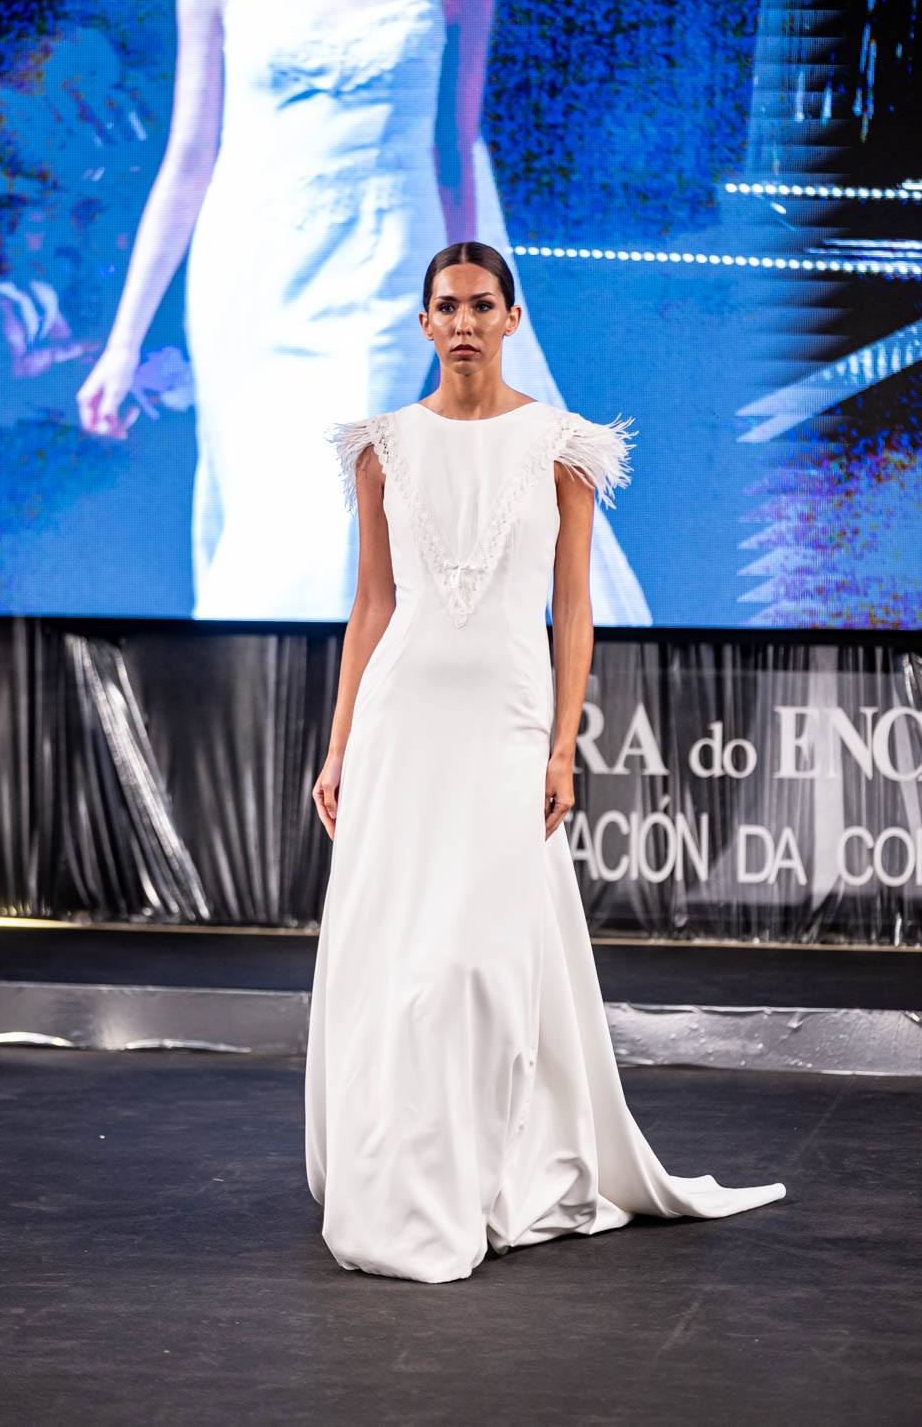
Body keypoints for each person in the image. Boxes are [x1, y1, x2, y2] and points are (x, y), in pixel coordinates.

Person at [305, 241, 786, 1284]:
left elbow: (574, 605)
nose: (464, 322)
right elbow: (372, 603)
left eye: (482, 304)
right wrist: (339, 745)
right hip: (400, 724)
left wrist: (563, 745)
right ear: (423, 322)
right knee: (397, 953)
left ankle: (488, 1166)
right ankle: (400, 1170)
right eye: (447, 306)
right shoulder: (380, 448)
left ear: (512, 318)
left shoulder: (562, 446)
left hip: (509, 723)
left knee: (475, 960)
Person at [75, 0, 650, 623]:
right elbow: (189, 157)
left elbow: (454, 156)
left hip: (384, 266)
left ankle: (319, 680)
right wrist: (123, 345)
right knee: (260, 501)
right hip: (247, 276)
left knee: (337, 499)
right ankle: (258, 674)